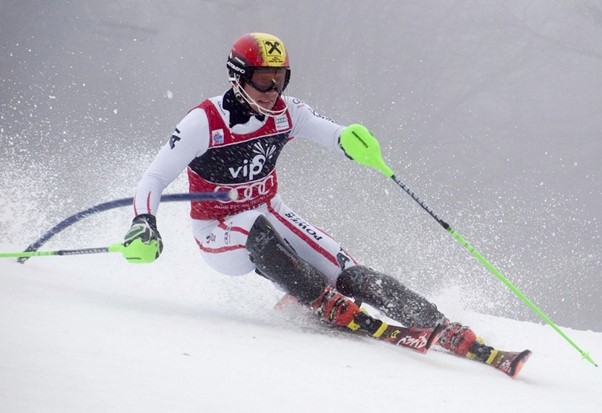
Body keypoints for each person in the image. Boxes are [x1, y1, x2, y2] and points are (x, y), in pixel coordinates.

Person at [124, 32, 530, 377]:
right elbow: (154, 179)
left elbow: (333, 134)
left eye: (280, 80)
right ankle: (319, 298)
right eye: (263, 81)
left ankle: (438, 323)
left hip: (269, 211)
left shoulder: (287, 112)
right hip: (218, 234)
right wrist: (145, 221)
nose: (273, 92)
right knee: (253, 224)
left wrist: (353, 142)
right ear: (237, 78)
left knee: (349, 271)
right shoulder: (203, 122)